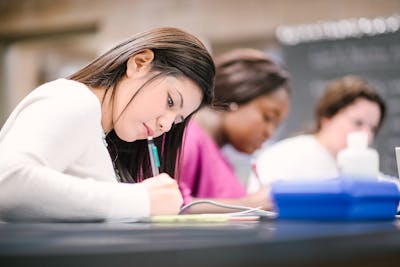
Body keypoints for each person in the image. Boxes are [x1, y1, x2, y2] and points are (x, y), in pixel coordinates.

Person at [0, 27, 215, 222]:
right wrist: (141, 200)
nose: (166, 125)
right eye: (170, 101)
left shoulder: (104, 134)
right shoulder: (75, 99)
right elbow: (8, 183)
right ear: (139, 64)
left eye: (178, 120)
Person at [179, 48, 291, 213]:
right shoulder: (187, 139)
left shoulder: (217, 155)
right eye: (267, 117)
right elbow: (164, 206)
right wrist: (250, 204)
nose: (270, 133)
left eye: (276, 125)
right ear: (238, 94)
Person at [247, 75, 387, 193]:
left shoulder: (360, 165)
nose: (367, 136)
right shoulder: (283, 158)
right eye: (358, 123)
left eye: (373, 129)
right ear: (327, 117)